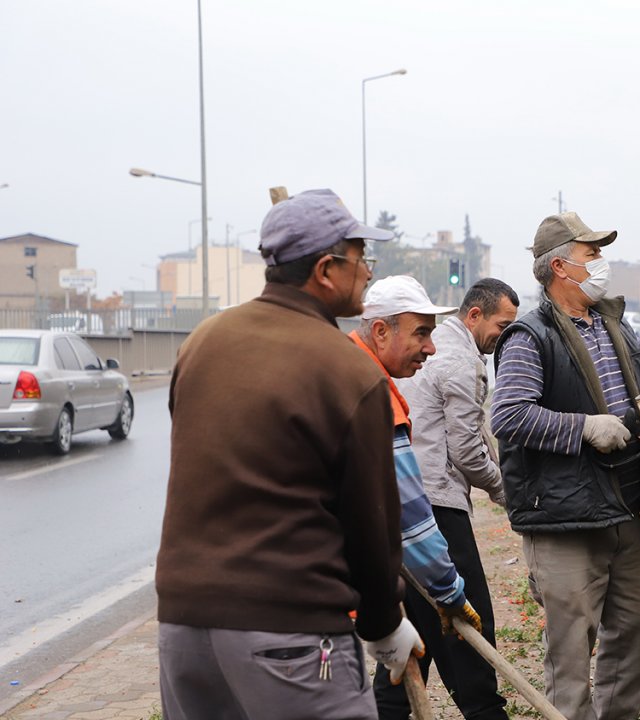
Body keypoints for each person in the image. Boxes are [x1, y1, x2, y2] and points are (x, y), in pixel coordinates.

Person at [156, 189, 424, 720]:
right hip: (290, 633)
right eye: (360, 257)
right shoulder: (349, 371)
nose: (368, 272)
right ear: (327, 269)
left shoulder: (202, 342)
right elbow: (371, 524)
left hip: (185, 628)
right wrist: (383, 623)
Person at [490, 212, 640, 720]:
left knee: (639, 627)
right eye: (591, 254)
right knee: (572, 656)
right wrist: (584, 428)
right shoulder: (531, 337)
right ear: (560, 267)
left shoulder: (610, 322)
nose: (602, 264)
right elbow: (508, 415)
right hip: (565, 519)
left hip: (619, 501)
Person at [343, 275, 489, 717]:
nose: (431, 347)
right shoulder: (370, 392)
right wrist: (449, 591)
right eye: (421, 333)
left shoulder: (343, 369)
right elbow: (410, 514)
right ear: (381, 331)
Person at [381, 278, 520, 720]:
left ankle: (385, 707)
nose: (504, 335)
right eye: (502, 324)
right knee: (468, 620)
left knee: (416, 634)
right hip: (435, 510)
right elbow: (466, 451)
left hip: (409, 506)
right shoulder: (460, 360)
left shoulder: (440, 347)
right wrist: (507, 492)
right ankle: (485, 711)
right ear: (474, 315)